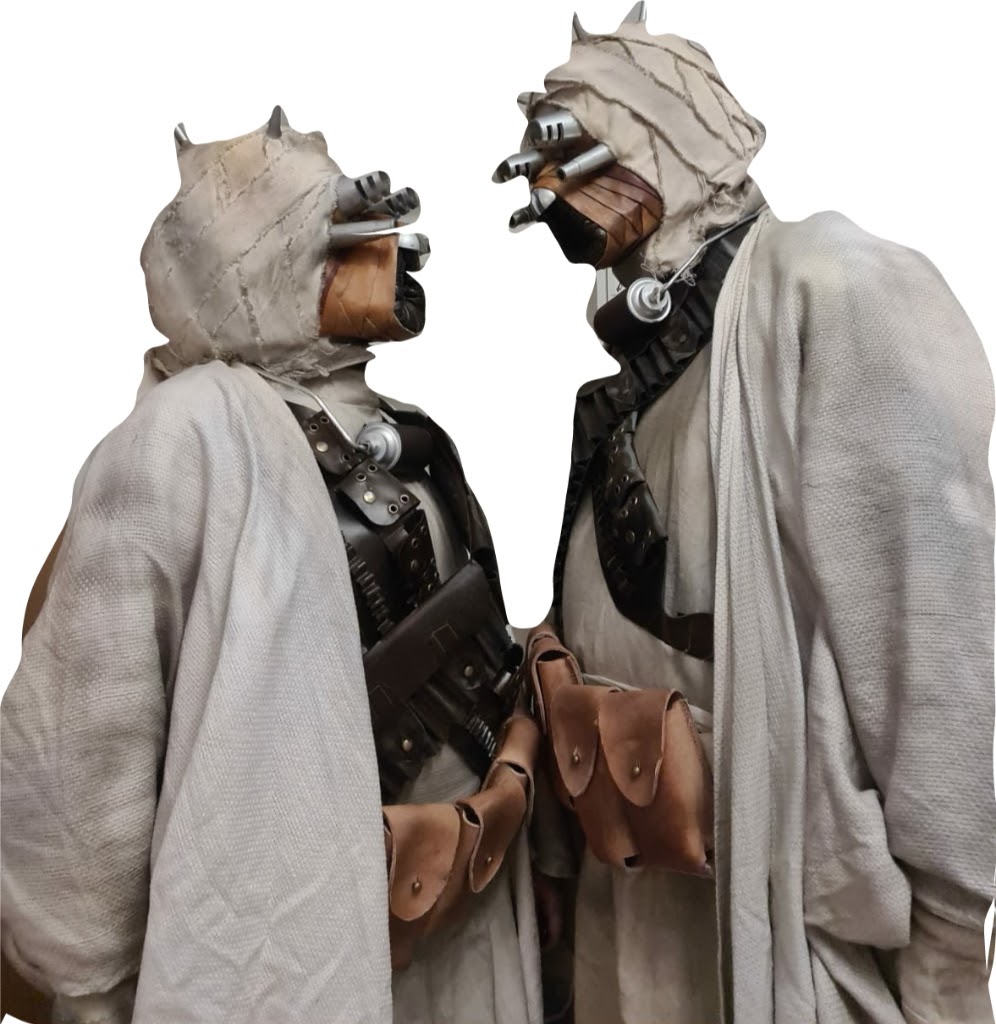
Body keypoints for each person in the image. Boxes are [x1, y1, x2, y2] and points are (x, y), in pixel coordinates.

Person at [495, 6, 995, 1022]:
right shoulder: (631, 387)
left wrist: (948, 938)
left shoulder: (830, 289)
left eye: (572, 157)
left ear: (666, 141)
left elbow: (936, 639)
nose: (552, 197)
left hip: (781, 912)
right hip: (626, 900)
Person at [2, 109, 542, 1024]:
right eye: (349, 242)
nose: (391, 258)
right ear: (265, 264)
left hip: (467, 910)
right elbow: (86, 745)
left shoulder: (402, 427)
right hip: (290, 941)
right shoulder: (185, 439)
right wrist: (88, 982)